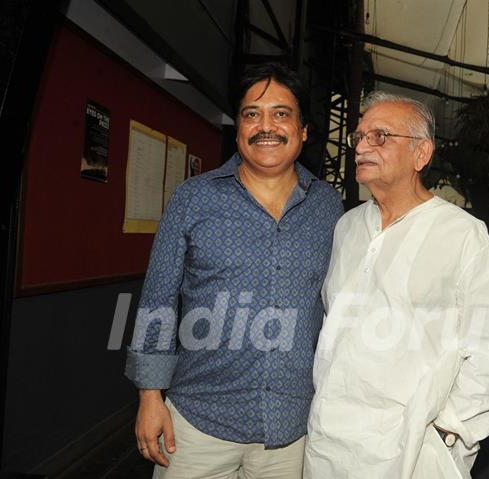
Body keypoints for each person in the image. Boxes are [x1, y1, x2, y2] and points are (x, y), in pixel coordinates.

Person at [125, 63, 343, 479]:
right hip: (196, 425)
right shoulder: (194, 199)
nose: (266, 126)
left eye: (281, 114)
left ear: (303, 131)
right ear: (239, 127)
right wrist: (150, 397)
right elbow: (158, 301)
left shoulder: (328, 208)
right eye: (251, 114)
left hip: (290, 430)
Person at [303, 91, 489, 479]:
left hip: (414, 452)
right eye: (359, 136)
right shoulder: (347, 227)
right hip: (330, 443)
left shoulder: (463, 235)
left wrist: (451, 432)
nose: (362, 146)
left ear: (422, 154)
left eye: (380, 136)